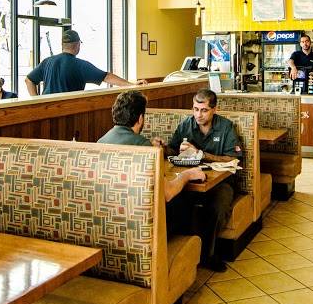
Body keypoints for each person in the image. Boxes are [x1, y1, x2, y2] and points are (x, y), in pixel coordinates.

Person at [167, 88, 243, 271]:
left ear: (214, 109)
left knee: (218, 206)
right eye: (195, 109)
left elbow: (233, 158)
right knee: (175, 203)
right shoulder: (186, 125)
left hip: (221, 182)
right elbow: (172, 149)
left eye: (204, 110)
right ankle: (184, 255)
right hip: (190, 180)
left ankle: (208, 255)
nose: (198, 115)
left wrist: (201, 154)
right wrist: (162, 147)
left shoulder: (225, 127)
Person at [97, 90, 205, 202]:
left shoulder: (100, 142)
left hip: (108, 204)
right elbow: (168, 193)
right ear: (140, 118)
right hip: (139, 208)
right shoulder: (143, 146)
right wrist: (187, 175)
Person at [25, 29, 145, 96]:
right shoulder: (80, 65)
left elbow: (29, 80)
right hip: (69, 111)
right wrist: (131, 85)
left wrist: (36, 101)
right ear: (78, 45)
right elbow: (107, 77)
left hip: (45, 111)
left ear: (62, 45)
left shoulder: (47, 62)